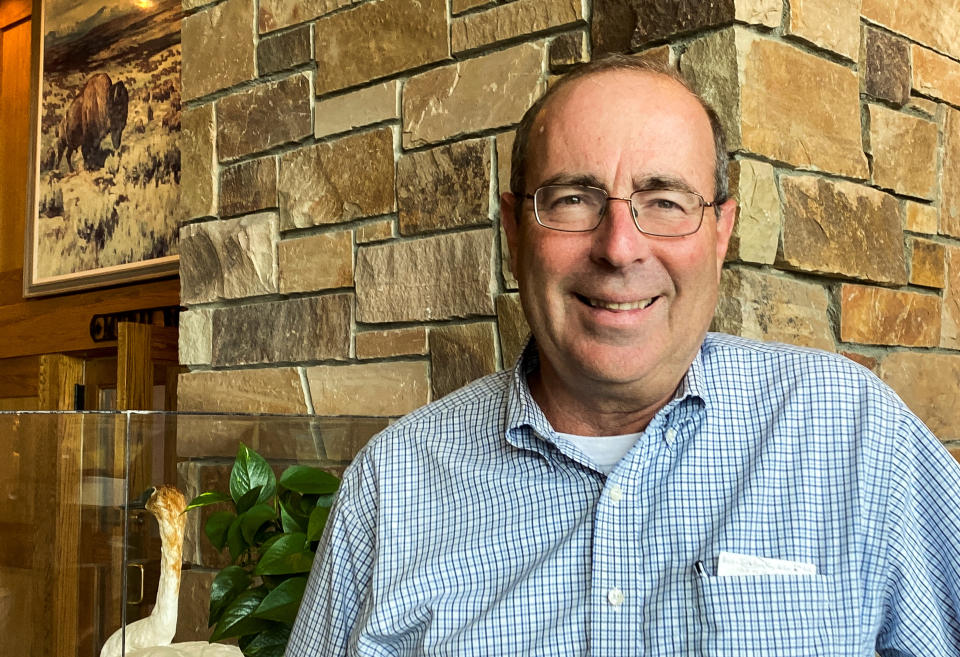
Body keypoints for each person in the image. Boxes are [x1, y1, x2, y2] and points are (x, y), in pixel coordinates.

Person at [286, 55, 960, 655]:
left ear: (721, 231)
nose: (619, 247)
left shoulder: (854, 435)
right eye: (574, 199)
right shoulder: (392, 486)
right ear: (515, 231)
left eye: (664, 200)